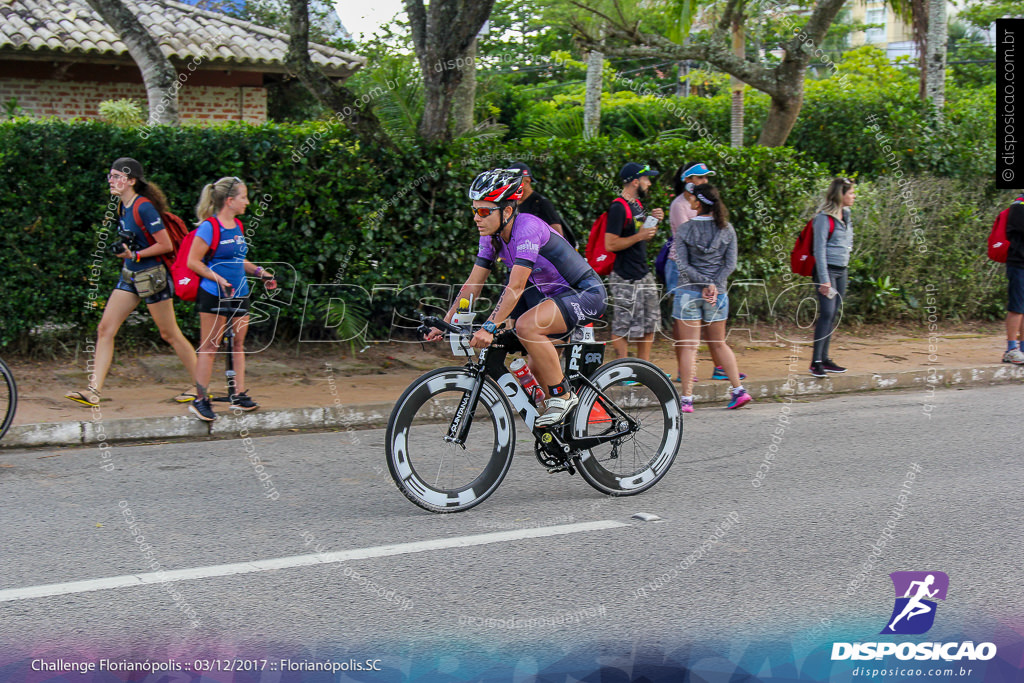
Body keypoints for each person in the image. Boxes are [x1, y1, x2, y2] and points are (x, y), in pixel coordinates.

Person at [426, 168, 606, 427]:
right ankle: (563, 435)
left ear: (507, 211)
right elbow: (472, 285)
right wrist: (446, 321)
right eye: (474, 210)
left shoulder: (528, 228)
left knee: (525, 326)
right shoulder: (491, 237)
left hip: (585, 293)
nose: (477, 217)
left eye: (485, 211)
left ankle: (564, 395)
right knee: (534, 369)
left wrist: (489, 326)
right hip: (551, 299)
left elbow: (516, 286)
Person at [65, 158, 197, 408]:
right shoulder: (122, 207)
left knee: (169, 333)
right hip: (130, 275)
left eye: (117, 176)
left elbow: (165, 245)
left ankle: (201, 388)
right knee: (105, 329)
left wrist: (134, 254)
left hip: (151, 276)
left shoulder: (143, 207)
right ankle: (93, 391)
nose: (112, 181)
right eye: (110, 176)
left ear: (132, 181)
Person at [186, 177, 277, 422]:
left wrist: (261, 273)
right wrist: (218, 279)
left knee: (238, 344)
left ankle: (238, 395)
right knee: (210, 346)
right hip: (214, 293)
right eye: (243, 197)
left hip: (240, 293)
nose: (247, 202)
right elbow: (193, 262)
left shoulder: (237, 225)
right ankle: (200, 400)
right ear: (230, 200)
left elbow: (239, 260)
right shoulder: (209, 227)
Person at [673, 184, 751, 412]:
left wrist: (704, 283)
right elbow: (730, 264)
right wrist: (713, 284)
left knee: (689, 347)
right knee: (718, 343)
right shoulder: (727, 229)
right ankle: (738, 390)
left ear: (698, 203)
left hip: (688, 292)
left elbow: (682, 265)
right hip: (717, 295)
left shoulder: (685, 229)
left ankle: (687, 399)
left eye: (692, 199)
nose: (689, 201)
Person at [605, 162, 664, 362]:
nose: (649, 183)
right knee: (623, 325)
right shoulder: (618, 207)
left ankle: (644, 370)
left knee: (649, 324)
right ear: (636, 182)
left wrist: (653, 222)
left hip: (642, 273)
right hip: (624, 277)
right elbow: (610, 244)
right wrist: (640, 236)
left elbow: (640, 236)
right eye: (646, 179)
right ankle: (624, 369)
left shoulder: (636, 205)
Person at [809, 177, 856, 377]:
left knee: (834, 313)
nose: (853, 197)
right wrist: (824, 279)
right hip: (827, 270)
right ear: (841, 194)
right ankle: (816, 361)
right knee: (827, 313)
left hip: (841, 269)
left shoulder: (846, 214)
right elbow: (818, 250)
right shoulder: (823, 218)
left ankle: (825, 358)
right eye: (851, 193)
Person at [507, 161, 577, 248]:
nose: (511, 186)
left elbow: (558, 236)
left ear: (527, 180)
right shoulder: (512, 205)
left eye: (514, 182)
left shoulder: (541, 203)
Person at [1002, 194, 1024, 364]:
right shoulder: (1019, 205)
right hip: (1019, 264)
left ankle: (1022, 347)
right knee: (1017, 307)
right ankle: (1011, 349)